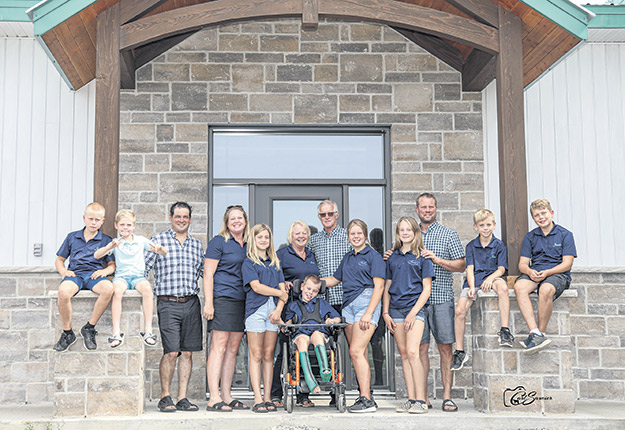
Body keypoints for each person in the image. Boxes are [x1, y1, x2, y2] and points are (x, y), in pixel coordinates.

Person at [386, 193, 465, 411]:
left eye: (431, 207)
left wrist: (437, 260)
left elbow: (461, 265)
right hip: (412, 303)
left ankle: (447, 396)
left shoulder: (448, 234)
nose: (427, 210)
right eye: (423, 207)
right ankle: (423, 398)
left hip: (439, 299)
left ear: (436, 208)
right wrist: (390, 256)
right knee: (418, 351)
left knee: (444, 349)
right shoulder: (409, 233)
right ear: (417, 209)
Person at [145, 202, 204, 413]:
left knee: (187, 353)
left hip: (191, 303)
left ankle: (182, 398)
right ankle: (165, 396)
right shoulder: (158, 241)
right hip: (168, 303)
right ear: (170, 218)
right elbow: (143, 268)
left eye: (185, 216)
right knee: (171, 352)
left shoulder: (197, 245)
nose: (181, 220)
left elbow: (206, 273)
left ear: (190, 219)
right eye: (178, 216)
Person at [324, 219, 385, 413]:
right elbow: (334, 279)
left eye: (359, 233)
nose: (356, 237)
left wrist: (368, 312)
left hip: (366, 303)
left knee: (355, 351)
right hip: (348, 306)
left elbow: (380, 286)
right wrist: (311, 282)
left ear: (365, 235)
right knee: (360, 353)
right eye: (352, 234)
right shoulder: (348, 257)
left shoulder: (373, 256)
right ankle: (366, 395)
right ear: (348, 237)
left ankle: (365, 399)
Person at [94, 209, 167, 348]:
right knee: (117, 291)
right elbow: (97, 255)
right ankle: (116, 331)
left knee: (147, 290)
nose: (125, 228)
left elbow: (164, 252)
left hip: (138, 277)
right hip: (121, 277)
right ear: (116, 225)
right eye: (122, 225)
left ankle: (148, 331)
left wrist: (159, 248)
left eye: (128, 225)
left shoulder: (140, 241)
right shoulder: (115, 242)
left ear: (133, 226)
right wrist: (110, 246)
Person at [382, 216, 434, 414]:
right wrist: (385, 312)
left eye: (408, 229)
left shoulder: (423, 256)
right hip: (395, 309)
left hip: (415, 308)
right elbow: (387, 286)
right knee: (404, 354)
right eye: (401, 230)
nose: (405, 233)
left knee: (413, 352)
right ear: (398, 233)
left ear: (415, 232)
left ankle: (422, 400)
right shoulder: (392, 257)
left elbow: (426, 289)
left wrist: (413, 313)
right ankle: (411, 400)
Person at [451, 209, 512, 372]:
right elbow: (469, 269)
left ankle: (505, 330)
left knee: (503, 288)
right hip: (475, 280)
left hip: (492, 277)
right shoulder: (471, 246)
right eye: (481, 225)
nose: (485, 228)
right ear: (475, 227)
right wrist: (471, 288)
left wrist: (490, 279)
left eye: (488, 225)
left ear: (494, 225)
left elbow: (501, 269)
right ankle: (460, 351)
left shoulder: (499, 245)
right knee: (459, 311)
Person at [203, 205, 250, 412]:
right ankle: (213, 397)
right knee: (219, 347)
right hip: (222, 298)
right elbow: (207, 274)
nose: (237, 221)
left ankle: (227, 394)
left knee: (233, 349)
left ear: (245, 220)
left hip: (243, 300)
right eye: (233, 218)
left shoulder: (249, 243)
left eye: (240, 217)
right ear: (226, 221)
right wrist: (209, 302)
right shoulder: (219, 241)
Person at [514, 198, 576, 353]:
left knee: (546, 289)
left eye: (543, 213)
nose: (541, 217)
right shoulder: (530, 237)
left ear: (551, 213)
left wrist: (548, 272)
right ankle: (534, 332)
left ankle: (540, 333)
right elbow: (522, 264)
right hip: (535, 272)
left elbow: (567, 264)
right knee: (519, 287)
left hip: (557, 274)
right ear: (533, 218)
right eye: (537, 215)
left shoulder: (565, 235)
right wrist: (529, 271)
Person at [53, 202, 115, 352]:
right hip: (75, 275)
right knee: (63, 292)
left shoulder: (106, 240)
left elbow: (112, 265)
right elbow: (59, 260)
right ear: (84, 218)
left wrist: (105, 272)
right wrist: (63, 272)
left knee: (108, 288)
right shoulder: (72, 237)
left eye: (97, 220)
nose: (93, 222)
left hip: (94, 276)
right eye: (90, 219)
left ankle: (89, 327)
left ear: (102, 221)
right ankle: (68, 333)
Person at [271, 221, 320, 408]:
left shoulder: (311, 255)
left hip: (309, 310)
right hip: (289, 308)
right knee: (285, 353)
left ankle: (303, 396)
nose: (301, 236)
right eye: (297, 233)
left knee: (305, 352)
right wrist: (285, 282)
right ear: (291, 236)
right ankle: (276, 394)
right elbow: (273, 277)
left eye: (304, 233)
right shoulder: (282, 255)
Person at [242, 224, 288, 413]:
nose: (263, 240)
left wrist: (278, 311)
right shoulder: (249, 263)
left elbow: (283, 294)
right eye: (260, 237)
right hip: (256, 310)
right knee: (257, 354)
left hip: (272, 311)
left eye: (266, 237)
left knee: (269, 354)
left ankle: (268, 397)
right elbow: (257, 287)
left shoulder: (275, 262)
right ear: (254, 239)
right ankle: (257, 398)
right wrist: (279, 292)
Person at [284, 275, 341, 394]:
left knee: (316, 334)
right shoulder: (293, 305)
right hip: (301, 334)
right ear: (302, 287)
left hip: (319, 333)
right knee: (302, 340)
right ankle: (310, 381)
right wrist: (286, 325)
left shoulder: (322, 303)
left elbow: (338, 318)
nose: (310, 293)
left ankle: (325, 370)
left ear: (318, 292)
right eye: (308, 289)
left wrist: (332, 321)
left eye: (315, 291)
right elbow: (288, 323)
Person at [308, 200, 351, 314]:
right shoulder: (313, 240)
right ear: (319, 217)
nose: (327, 217)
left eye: (330, 213)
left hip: (346, 298)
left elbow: (367, 255)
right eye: (323, 214)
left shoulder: (350, 236)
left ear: (337, 215)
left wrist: (388, 255)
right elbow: (302, 261)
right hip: (322, 299)